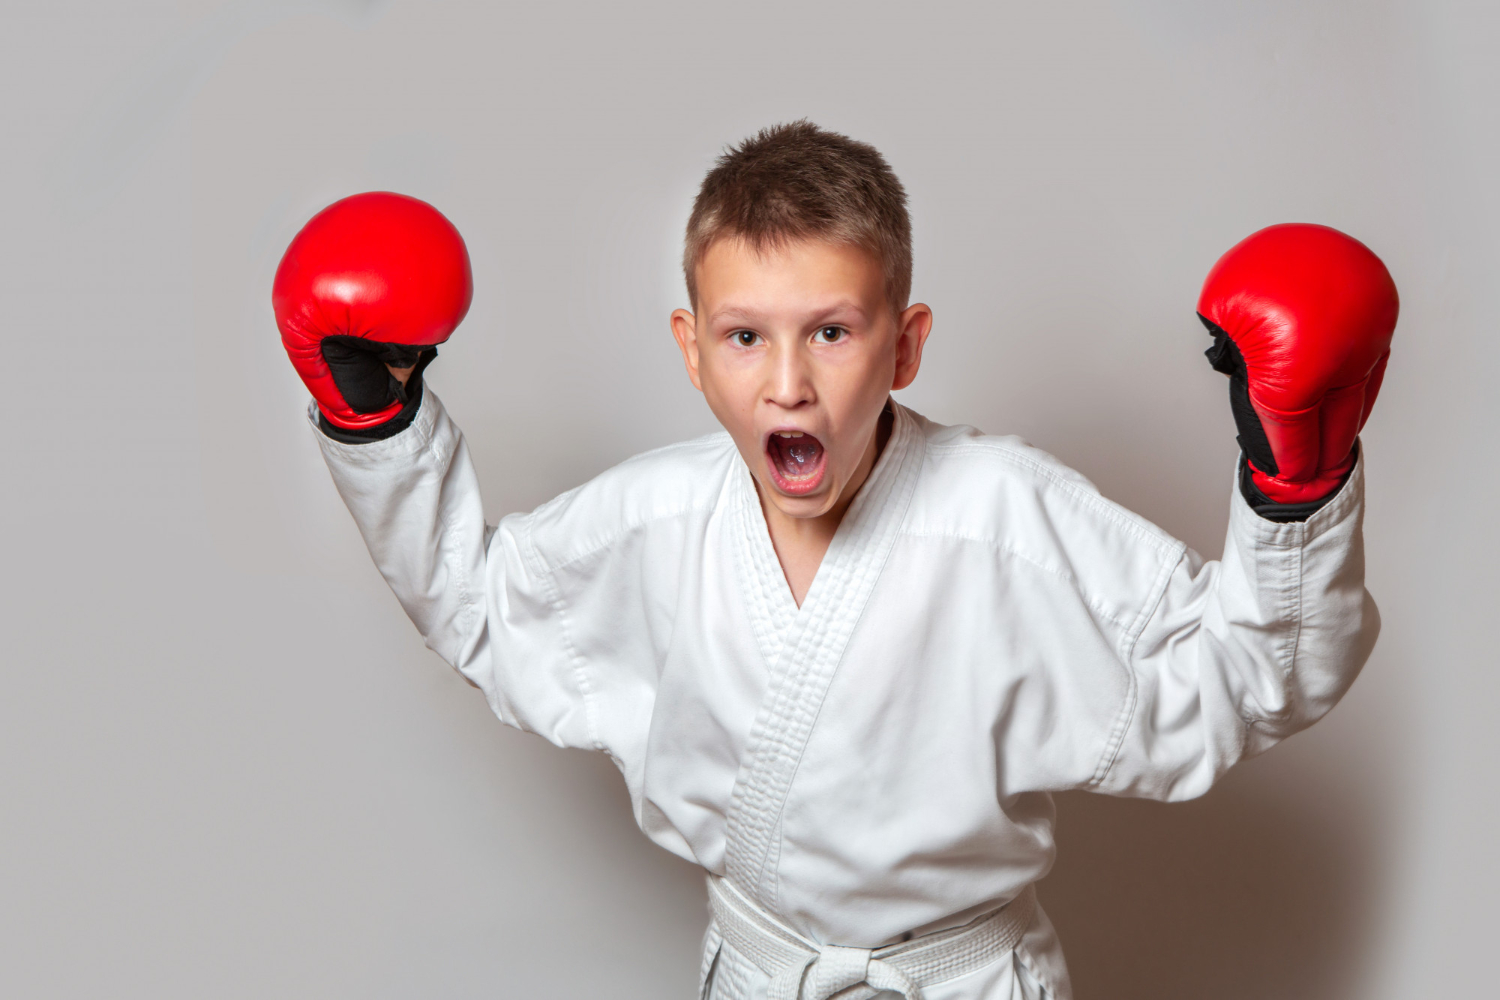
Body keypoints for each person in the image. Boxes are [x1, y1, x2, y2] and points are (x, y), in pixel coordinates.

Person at [272, 122, 1396, 1000]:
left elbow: (1253, 681)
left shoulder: (1007, 513)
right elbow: (479, 607)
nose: (788, 383)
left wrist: (1291, 480)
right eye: (745, 334)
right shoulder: (653, 520)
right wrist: (379, 425)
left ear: (905, 344)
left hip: (964, 978)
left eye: (833, 330)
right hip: (764, 974)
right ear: (692, 351)